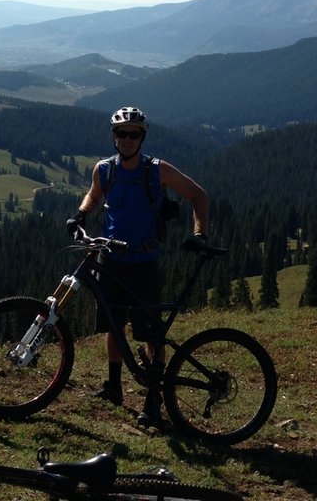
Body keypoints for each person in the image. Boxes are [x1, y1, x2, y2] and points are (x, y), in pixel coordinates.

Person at [66, 106, 209, 427]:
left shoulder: (157, 171)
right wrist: (81, 213)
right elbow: (94, 195)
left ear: (142, 137)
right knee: (114, 325)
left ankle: (153, 400)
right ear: (113, 136)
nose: (127, 139)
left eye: (134, 134)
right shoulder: (104, 169)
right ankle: (113, 386)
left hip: (144, 262)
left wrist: (199, 234)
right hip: (110, 258)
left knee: (152, 335)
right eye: (121, 133)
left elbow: (199, 195)